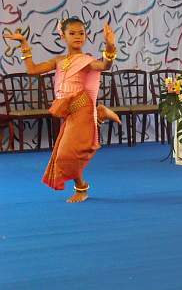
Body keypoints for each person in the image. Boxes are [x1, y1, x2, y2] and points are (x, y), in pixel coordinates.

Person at [3, 18, 120, 203]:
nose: (77, 37)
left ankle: (82, 188)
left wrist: (110, 45)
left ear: (86, 35)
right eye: (72, 33)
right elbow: (32, 70)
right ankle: (81, 187)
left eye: (81, 33)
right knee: (64, 154)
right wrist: (24, 44)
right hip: (68, 110)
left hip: (82, 107)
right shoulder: (59, 60)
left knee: (67, 154)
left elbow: (105, 66)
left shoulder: (86, 60)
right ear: (63, 36)